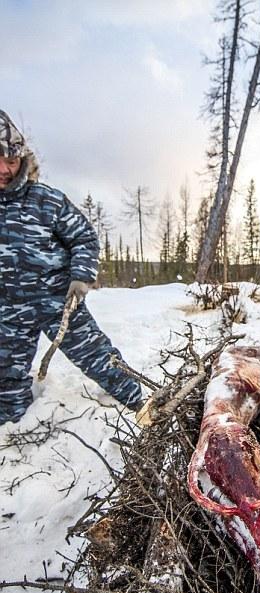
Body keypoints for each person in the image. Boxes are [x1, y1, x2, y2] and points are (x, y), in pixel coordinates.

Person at [0, 109, 142, 425]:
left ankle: (144, 405)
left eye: (11, 161)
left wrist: (81, 277)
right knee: (5, 378)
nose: (5, 169)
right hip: (7, 311)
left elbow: (84, 237)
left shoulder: (45, 200)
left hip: (58, 300)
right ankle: (16, 434)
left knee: (99, 358)